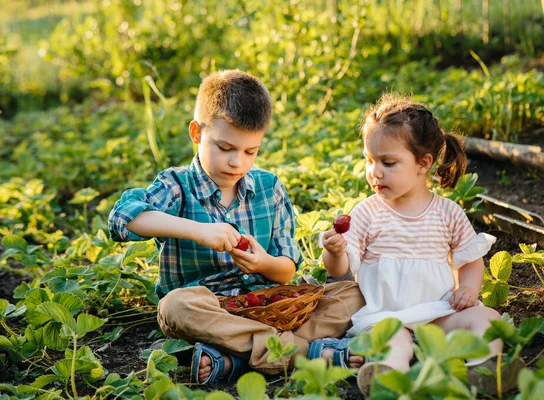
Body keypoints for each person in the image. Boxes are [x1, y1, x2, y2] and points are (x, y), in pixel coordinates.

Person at [108, 69, 366, 385]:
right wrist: (198, 230)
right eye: (225, 148)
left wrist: (264, 263)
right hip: (211, 310)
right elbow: (122, 219)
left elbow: (286, 269)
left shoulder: (269, 187)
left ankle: (234, 359)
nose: (237, 163)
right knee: (174, 307)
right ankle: (306, 353)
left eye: (250, 152)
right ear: (196, 133)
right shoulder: (176, 185)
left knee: (354, 291)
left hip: (270, 305)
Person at [321, 94, 521, 394]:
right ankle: (389, 376)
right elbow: (341, 268)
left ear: (423, 164)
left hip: (438, 312)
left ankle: (485, 366)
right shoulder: (367, 212)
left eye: (388, 162)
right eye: (369, 160)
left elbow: (469, 259)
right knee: (392, 341)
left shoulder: (447, 213)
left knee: (487, 317)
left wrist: (467, 289)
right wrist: (334, 251)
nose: (375, 171)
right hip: (386, 316)